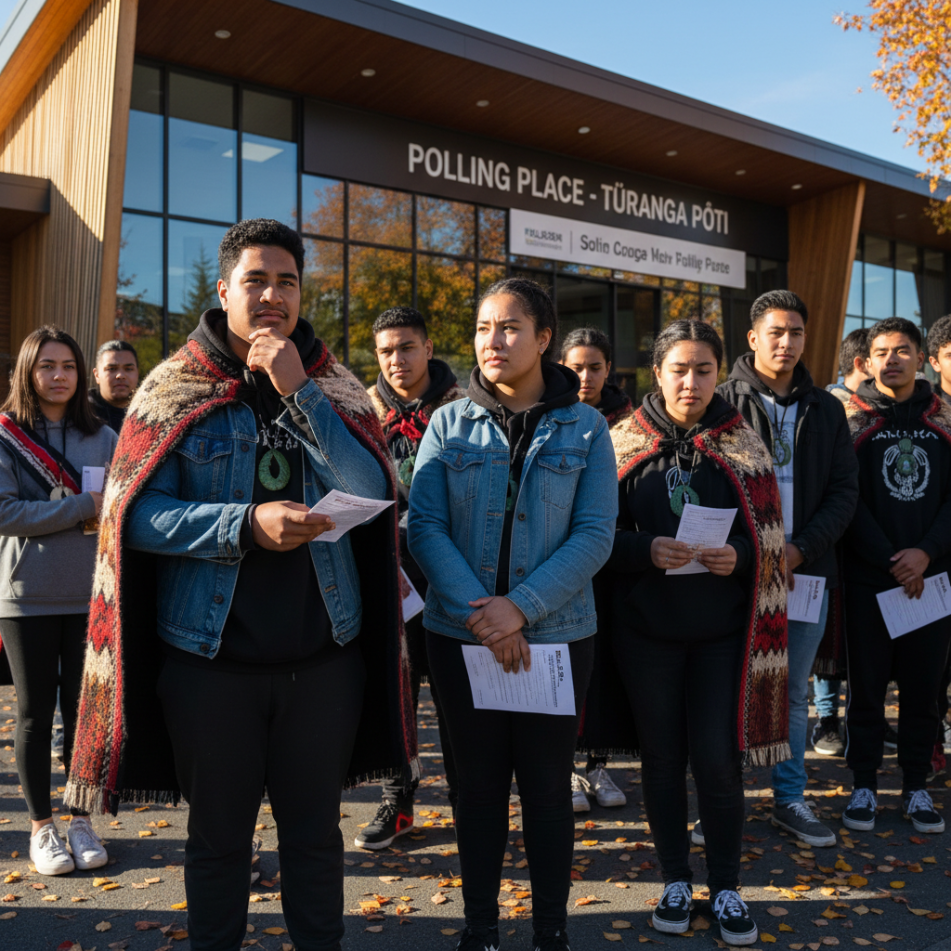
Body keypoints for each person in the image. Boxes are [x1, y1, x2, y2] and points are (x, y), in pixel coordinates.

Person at [64, 219, 417, 951]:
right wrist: (241, 524)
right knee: (219, 843)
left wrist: (299, 392)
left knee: (316, 840)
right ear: (224, 290)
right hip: (208, 667)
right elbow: (134, 518)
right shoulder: (171, 386)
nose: (272, 295)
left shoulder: (336, 384)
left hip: (325, 662)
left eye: (286, 281)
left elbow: (370, 488)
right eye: (255, 280)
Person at [408, 278, 618, 951]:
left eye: (508, 328)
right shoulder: (447, 420)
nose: (491, 342)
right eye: (481, 328)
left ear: (543, 338)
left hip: (555, 636)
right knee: (476, 788)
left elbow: (593, 534)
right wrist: (482, 613)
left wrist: (519, 609)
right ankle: (479, 927)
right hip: (458, 635)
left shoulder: (584, 426)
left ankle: (550, 929)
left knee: (547, 789)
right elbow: (426, 525)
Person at [608, 318, 788, 947]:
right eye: (678, 369)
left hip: (722, 635)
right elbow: (592, 536)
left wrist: (739, 554)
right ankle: (675, 879)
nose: (691, 381)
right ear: (656, 373)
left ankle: (728, 885)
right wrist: (643, 549)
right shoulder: (621, 442)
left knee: (718, 761)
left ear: (720, 372)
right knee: (661, 761)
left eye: (704, 369)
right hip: (644, 634)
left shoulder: (744, 442)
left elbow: (766, 535)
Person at [717, 291, 858, 848]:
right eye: (775, 332)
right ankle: (721, 799)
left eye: (796, 333)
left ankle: (790, 799)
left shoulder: (826, 409)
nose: (786, 342)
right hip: (735, 571)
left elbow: (845, 492)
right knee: (726, 687)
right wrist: (753, 553)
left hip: (805, 572)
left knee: (793, 689)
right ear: (752, 338)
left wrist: (800, 550)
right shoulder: (722, 401)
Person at [0, 326, 117, 875]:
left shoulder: (103, 435)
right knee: (32, 713)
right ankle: (42, 828)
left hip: (90, 594)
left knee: (82, 712)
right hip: (26, 596)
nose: (59, 376)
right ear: (28, 372)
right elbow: (4, 513)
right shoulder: (5, 437)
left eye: (68, 365)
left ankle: (80, 819)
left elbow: (120, 501)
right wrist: (79, 506)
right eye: (47, 365)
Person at [358, 306, 464, 848]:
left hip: (452, 577)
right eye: (385, 351)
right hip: (389, 578)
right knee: (395, 694)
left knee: (454, 697)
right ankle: (397, 803)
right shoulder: (360, 410)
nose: (396, 361)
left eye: (406, 348)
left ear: (427, 348)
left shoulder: (465, 409)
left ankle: (470, 801)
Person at [841, 316, 951, 835]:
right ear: (868, 360)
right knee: (864, 691)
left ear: (921, 357)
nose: (892, 359)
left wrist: (925, 554)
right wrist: (891, 558)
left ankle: (915, 787)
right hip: (871, 578)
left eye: (902, 349)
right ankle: (863, 783)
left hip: (930, 579)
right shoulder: (851, 419)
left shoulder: (945, 417)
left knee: (922, 690)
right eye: (882, 350)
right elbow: (846, 498)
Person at [559, 327, 632, 812]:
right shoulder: (554, 412)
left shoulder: (631, 424)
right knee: (562, 668)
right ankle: (563, 767)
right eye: (576, 366)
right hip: (559, 564)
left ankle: (597, 766)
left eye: (595, 367)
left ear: (609, 369)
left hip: (613, 563)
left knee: (602, 670)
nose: (584, 376)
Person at [813, 327, 872, 757]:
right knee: (827, 641)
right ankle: (827, 719)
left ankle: (859, 721)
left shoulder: (885, 410)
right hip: (830, 542)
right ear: (861, 363)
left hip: (869, 548)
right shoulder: (830, 408)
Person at [88, 340, 139, 432]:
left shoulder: (151, 414)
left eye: (128, 369)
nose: (121, 375)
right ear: (97, 375)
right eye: (111, 369)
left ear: (137, 373)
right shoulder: (82, 414)